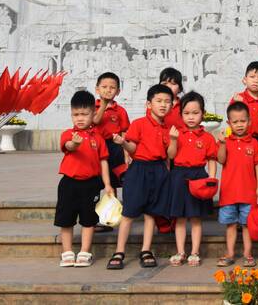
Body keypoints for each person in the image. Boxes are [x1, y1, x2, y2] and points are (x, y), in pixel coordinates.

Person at [107, 84, 173, 270]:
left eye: (167, 102)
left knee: (151, 213)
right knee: (129, 212)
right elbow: (133, 149)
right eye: (159, 101)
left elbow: (169, 154)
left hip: (159, 170)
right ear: (149, 104)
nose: (163, 105)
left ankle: (146, 250)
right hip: (139, 169)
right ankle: (119, 251)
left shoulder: (169, 128)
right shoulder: (139, 123)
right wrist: (123, 143)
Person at [54, 90, 114, 268]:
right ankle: (67, 252)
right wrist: (75, 143)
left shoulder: (98, 138)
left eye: (84, 114)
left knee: (89, 220)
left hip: (91, 184)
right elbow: (68, 146)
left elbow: (103, 161)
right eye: (76, 114)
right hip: (69, 183)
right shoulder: (68, 134)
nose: (80, 118)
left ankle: (85, 252)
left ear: (93, 114)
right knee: (66, 219)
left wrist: (108, 184)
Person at [166, 92, 218, 267]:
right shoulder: (176, 133)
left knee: (196, 217)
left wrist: (212, 178)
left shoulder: (207, 137)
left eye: (195, 113)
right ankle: (180, 251)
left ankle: (195, 252)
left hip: (198, 177)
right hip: (178, 176)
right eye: (186, 113)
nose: (191, 117)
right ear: (181, 114)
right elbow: (170, 155)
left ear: (202, 113)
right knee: (179, 218)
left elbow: (212, 159)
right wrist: (173, 140)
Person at [216, 101, 258, 267]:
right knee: (230, 225)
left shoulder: (254, 143)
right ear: (229, 123)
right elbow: (221, 160)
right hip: (229, 193)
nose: (239, 125)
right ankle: (229, 254)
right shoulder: (225, 142)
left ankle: (247, 254)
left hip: (248, 192)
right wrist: (222, 144)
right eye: (235, 122)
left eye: (243, 121)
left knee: (246, 225)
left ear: (249, 121)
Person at [91, 72, 130, 232]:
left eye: (112, 88)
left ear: (118, 91)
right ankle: (93, 219)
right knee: (95, 183)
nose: (108, 90)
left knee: (114, 182)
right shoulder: (92, 108)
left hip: (114, 148)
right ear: (97, 89)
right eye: (104, 87)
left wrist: (126, 152)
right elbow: (95, 121)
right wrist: (103, 105)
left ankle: (110, 218)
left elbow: (124, 131)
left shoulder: (120, 111)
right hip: (96, 148)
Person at [230, 61, 258, 158]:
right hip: (241, 138)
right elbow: (231, 118)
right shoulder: (238, 98)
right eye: (252, 77)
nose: (256, 81)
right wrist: (237, 103)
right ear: (245, 80)